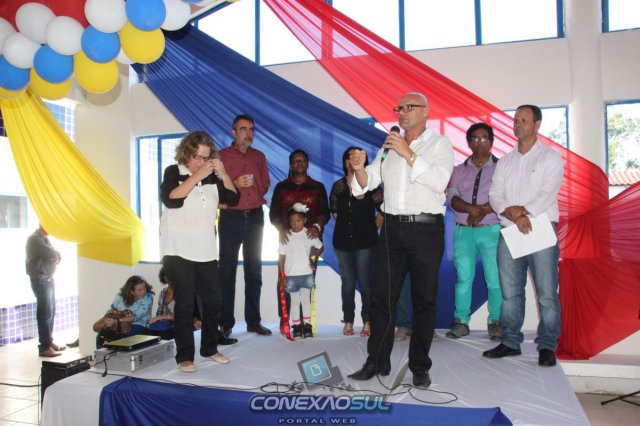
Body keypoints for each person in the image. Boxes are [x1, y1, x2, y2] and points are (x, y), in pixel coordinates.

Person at [348, 92, 454, 388]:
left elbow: (440, 181)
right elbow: (365, 184)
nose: (403, 112)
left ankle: (419, 365)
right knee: (382, 298)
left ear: (426, 111)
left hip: (425, 231)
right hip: (391, 231)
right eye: (400, 108)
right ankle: (376, 361)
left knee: (424, 300)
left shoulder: (440, 144)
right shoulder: (389, 145)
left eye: (410, 107)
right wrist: (359, 169)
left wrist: (408, 153)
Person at [484, 105, 564, 367]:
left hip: (540, 227)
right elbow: (495, 195)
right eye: (516, 120)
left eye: (524, 120)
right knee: (510, 292)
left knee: (547, 293)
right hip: (510, 230)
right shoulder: (506, 161)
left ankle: (547, 345)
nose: (518, 125)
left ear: (537, 124)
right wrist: (513, 214)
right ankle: (510, 341)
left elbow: (548, 192)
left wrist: (524, 211)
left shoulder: (550, 157)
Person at [160, 131, 239, 373]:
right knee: (185, 304)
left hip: (205, 249)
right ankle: (185, 356)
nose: (201, 162)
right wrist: (197, 176)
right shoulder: (173, 172)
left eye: (206, 158)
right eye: (197, 157)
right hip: (178, 248)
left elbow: (233, 198)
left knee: (214, 300)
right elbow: (172, 199)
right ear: (186, 153)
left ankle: (209, 347)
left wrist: (223, 173)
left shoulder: (212, 176)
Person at [446, 123, 502, 341]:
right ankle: (461, 322)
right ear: (468, 142)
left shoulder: (502, 168)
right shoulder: (458, 170)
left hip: (492, 230)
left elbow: (505, 195)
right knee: (463, 278)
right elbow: (452, 197)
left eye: (484, 138)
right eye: (475, 138)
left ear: (491, 141)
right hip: (464, 232)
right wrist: (471, 209)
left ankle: (496, 322)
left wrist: (481, 211)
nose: (480, 142)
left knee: (495, 279)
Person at [218, 114, 272, 338]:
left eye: (251, 129)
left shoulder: (259, 156)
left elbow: (265, 184)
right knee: (226, 271)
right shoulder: (221, 157)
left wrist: (254, 191)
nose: (248, 133)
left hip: (255, 217)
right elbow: (215, 190)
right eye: (243, 129)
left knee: (254, 271)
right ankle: (225, 323)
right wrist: (235, 185)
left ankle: (253, 321)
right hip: (230, 217)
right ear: (233, 132)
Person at [269, 149, 330, 334]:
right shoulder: (281, 187)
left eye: (302, 160)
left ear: (307, 164)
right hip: (287, 240)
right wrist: (281, 229)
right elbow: (273, 214)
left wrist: (317, 226)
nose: (299, 163)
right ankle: (286, 321)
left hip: (309, 242)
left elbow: (324, 213)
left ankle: (305, 323)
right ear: (290, 165)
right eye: (295, 161)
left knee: (306, 283)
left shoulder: (317, 187)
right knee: (285, 280)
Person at [330, 147, 382, 337]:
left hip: (366, 241)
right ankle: (348, 320)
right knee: (347, 282)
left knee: (366, 282)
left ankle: (368, 320)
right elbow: (335, 213)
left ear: (363, 161)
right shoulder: (338, 186)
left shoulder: (372, 185)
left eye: (356, 156)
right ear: (345, 162)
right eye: (349, 157)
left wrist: (371, 228)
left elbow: (383, 210)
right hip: (342, 242)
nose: (352, 160)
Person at [277, 203, 324, 339]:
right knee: (294, 301)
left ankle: (307, 326)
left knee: (306, 301)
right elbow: (281, 257)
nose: (295, 224)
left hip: (306, 274)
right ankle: (297, 327)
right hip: (291, 275)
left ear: (304, 220)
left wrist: (313, 258)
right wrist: (282, 275)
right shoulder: (286, 236)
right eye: (292, 222)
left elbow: (321, 247)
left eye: (298, 221)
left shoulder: (308, 234)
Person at [25, 225, 65, 357]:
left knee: (50, 312)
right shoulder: (35, 239)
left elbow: (56, 256)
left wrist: (56, 256)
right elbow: (53, 255)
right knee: (44, 313)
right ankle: (44, 347)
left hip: (47, 278)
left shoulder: (44, 239)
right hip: (41, 279)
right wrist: (56, 256)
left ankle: (49, 342)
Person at [93, 275, 155, 347]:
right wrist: (109, 319)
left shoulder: (148, 297)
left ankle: (117, 352)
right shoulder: (120, 297)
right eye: (140, 290)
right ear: (131, 291)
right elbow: (113, 309)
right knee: (101, 335)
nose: (143, 291)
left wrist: (116, 321)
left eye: (144, 288)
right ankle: (101, 353)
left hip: (139, 325)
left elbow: (134, 317)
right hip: (119, 325)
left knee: (120, 338)